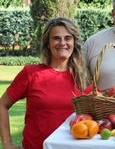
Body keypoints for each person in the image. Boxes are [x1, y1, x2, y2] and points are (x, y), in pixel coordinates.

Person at [0, 17, 89, 149]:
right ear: (48, 43)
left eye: (67, 38)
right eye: (56, 38)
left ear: (74, 42)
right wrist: (7, 143)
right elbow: (2, 105)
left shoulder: (83, 79)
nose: (62, 43)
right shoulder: (31, 73)